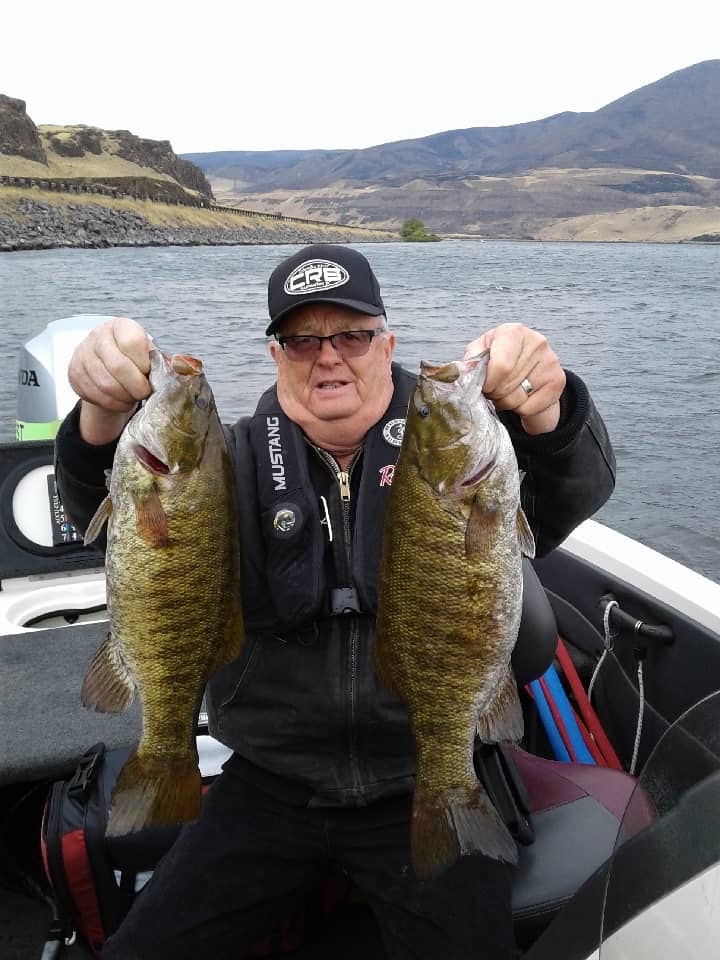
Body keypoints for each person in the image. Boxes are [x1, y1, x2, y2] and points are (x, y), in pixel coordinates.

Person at [55, 243, 616, 960]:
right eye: (302, 339)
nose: (329, 357)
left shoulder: (465, 457)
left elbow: (574, 489)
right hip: (268, 781)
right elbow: (108, 522)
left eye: (351, 334)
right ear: (275, 356)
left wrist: (551, 404)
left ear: (387, 343)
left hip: (425, 767)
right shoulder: (223, 461)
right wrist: (100, 417)